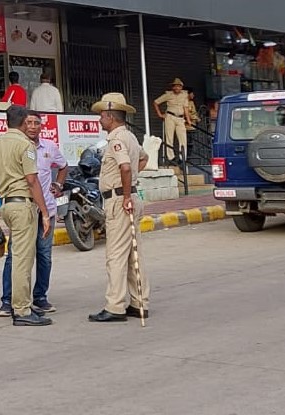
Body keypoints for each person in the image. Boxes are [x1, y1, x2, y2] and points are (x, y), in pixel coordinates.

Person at [0, 105, 52, 327]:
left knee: (16, 256)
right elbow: (32, 181)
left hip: (5, 206)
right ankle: (22, 310)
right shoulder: (26, 145)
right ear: (23, 123)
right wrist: (44, 211)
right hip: (23, 205)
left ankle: (17, 303)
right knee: (23, 259)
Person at [0, 110, 67, 317]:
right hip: (24, 210)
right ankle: (8, 300)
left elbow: (63, 167)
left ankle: (40, 297)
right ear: (22, 125)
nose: (33, 126)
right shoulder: (16, 146)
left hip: (47, 209)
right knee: (15, 256)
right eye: (29, 122)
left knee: (44, 255)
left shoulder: (50, 147)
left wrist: (58, 183)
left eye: (37, 123)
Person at [88, 93, 150, 323]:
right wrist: (131, 184)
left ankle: (115, 306)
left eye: (102, 116)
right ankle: (139, 302)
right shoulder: (130, 137)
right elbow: (142, 159)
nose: (100, 121)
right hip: (131, 196)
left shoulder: (116, 139)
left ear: (111, 117)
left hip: (119, 200)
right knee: (134, 254)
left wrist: (125, 193)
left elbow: (125, 166)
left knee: (115, 255)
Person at [154, 78, 193, 165]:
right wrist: (160, 114)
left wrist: (188, 120)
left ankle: (182, 158)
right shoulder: (168, 94)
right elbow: (156, 102)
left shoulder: (184, 95)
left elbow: (185, 108)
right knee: (169, 138)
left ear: (181, 87)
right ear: (172, 87)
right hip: (170, 116)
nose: (176, 88)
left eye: (178, 86)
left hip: (180, 118)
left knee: (183, 138)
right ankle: (171, 157)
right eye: (175, 86)